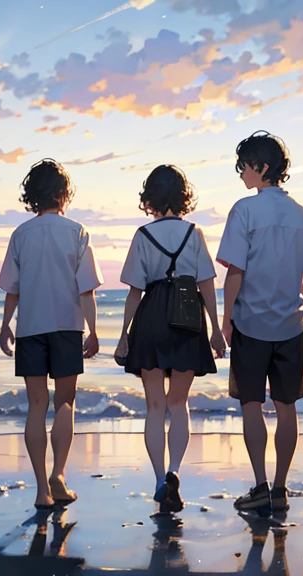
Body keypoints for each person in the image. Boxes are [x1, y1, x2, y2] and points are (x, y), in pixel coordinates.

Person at [216, 131, 303, 517]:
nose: (241, 172)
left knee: (251, 405)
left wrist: (225, 321)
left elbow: (234, 273)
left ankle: (260, 486)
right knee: (286, 408)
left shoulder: (244, 211)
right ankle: (280, 489)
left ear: (262, 167)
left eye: (244, 165)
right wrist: (295, 303)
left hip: (250, 324)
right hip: (290, 327)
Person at [114, 164, 226, 513]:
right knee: (179, 404)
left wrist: (123, 335)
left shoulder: (142, 235)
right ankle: (176, 471)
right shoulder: (195, 233)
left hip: (152, 316)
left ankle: (161, 479)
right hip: (188, 315)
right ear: (182, 195)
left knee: (154, 406)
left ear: (150, 197)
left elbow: (135, 291)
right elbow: (206, 284)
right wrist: (218, 330)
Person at [0, 158, 103, 509]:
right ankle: (59, 474)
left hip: (30, 328)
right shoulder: (77, 231)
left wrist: (4, 326)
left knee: (36, 406)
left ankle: (42, 490)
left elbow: (12, 289)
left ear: (32, 195)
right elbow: (86, 289)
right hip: (66, 326)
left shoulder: (21, 234)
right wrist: (93, 330)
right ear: (63, 194)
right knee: (65, 403)